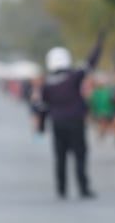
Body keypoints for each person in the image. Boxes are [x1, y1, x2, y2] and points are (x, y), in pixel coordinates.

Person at [39, 32, 104, 199]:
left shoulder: (47, 83)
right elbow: (90, 63)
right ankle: (83, 189)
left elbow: (43, 106)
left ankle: (61, 190)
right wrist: (98, 45)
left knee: (60, 158)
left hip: (57, 123)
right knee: (80, 156)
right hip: (75, 122)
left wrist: (41, 126)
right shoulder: (73, 76)